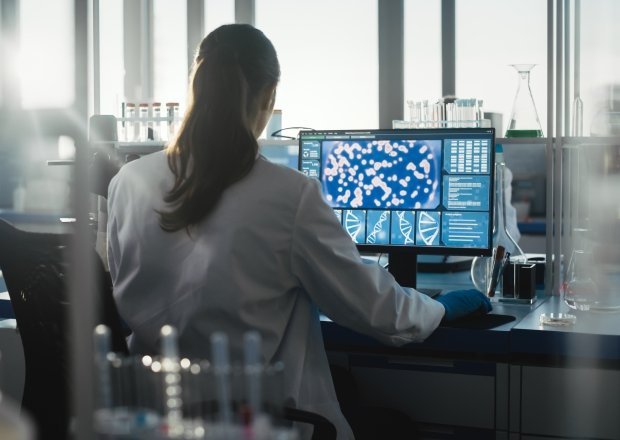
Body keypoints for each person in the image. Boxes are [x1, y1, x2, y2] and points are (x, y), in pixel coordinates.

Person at [106, 24, 492, 439]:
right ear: (269, 98)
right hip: (262, 425)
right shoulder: (287, 194)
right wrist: (444, 308)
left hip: (155, 422)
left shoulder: (128, 182)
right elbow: (383, 315)